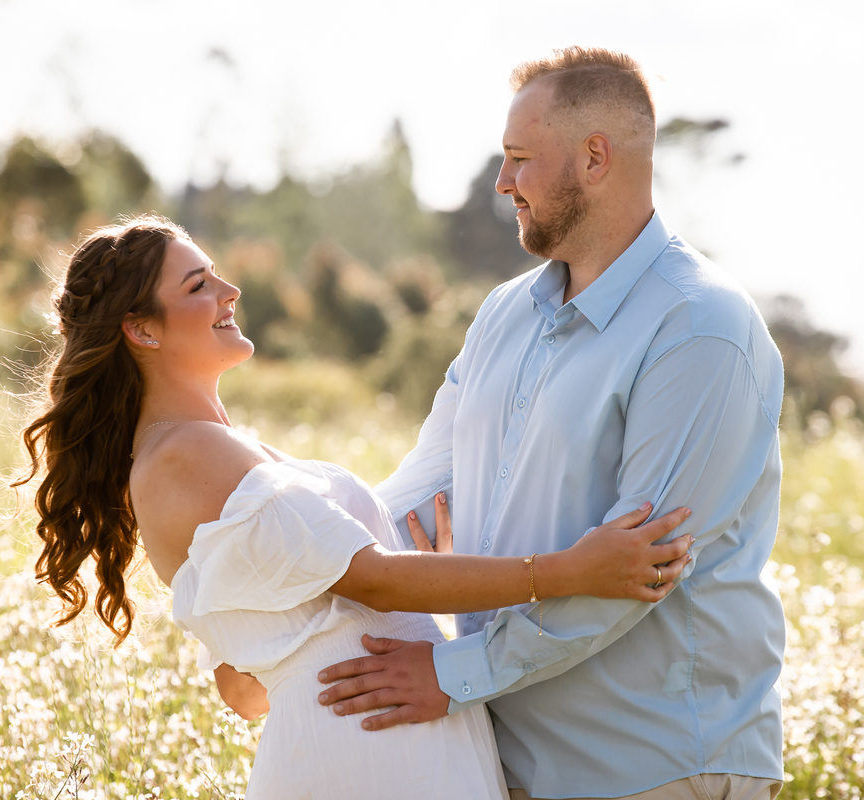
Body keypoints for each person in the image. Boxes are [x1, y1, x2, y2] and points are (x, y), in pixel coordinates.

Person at [14, 215, 696, 799]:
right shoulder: (186, 455)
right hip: (366, 756)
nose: (231, 291)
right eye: (199, 286)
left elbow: (244, 686)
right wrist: (573, 572)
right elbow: (369, 578)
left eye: (216, 274)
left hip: (382, 741)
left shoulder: (221, 449)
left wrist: (406, 593)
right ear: (143, 331)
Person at [316, 47, 786, 800]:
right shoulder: (504, 314)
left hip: (654, 767)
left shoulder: (701, 328)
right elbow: (416, 496)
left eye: (520, 159)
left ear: (595, 157)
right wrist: (300, 585)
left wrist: (449, 673)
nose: (503, 182)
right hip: (497, 759)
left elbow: (638, 570)